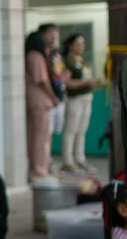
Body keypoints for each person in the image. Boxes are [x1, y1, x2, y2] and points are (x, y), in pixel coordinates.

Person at [60, 34, 100, 173]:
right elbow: (66, 82)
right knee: (71, 129)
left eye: (83, 43)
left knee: (82, 130)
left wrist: (92, 83)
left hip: (86, 97)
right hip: (74, 99)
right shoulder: (68, 61)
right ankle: (68, 161)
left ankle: (80, 159)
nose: (81, 46)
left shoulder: (81, 60)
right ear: (70, 45)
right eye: (78, 43)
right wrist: (85, 83)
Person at [25, 31, 60, 184]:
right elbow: (42, 80)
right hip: (40, 101)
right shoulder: (36, 57)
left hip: (36, 101)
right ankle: (40, 170)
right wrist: (53, 97)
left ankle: (38, 168)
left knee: (37, 137)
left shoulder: (31, 56)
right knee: (41, 138)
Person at [39, 23, 67, 137]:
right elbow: (42, 78)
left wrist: (63, 91)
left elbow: (61, 72)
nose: (53, 35)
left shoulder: (56, 52)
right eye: (50, 32)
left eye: (55, 32)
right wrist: (52, 96)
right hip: (47, 97)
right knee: (46, 132)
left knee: (57, 129)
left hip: (59, 94)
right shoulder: (40, 53)